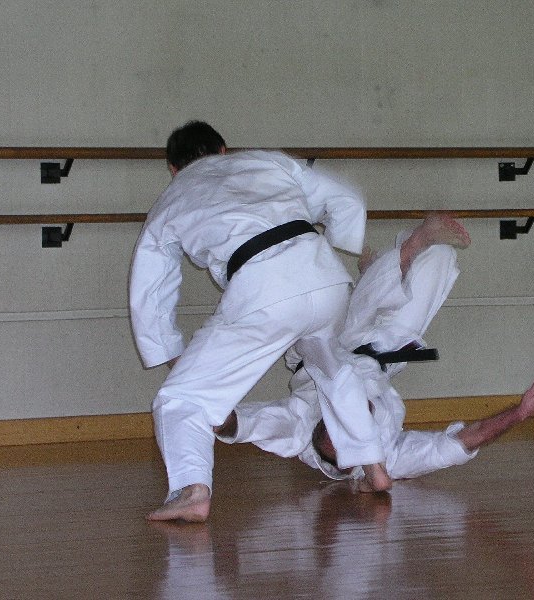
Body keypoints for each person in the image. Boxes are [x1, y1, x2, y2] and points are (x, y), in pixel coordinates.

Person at [129, 121, 390, 523]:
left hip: (264, 287)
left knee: (181, 398)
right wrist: (341, 242)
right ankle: (373, 465)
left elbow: (151, 289)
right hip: (326, 276)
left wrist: (169, 353)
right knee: (332, 370)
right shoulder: (266, 160)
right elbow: (347, 197)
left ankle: (192, 490)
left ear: (173, 169)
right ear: (222, 150)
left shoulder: (172, 198)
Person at [214, 213, 534, 483]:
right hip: (386, 350)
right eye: (359, 421)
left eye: (341, 418)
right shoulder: (388, 457)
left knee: (347, 314)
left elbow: (238, 424)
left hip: (327, 346)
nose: (354, 410)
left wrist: (201, 407)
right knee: (441, 258)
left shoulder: (296, 428)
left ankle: (408, 248)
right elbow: (459, 443)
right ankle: (382, 270)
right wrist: (518, 414)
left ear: (320, 427)